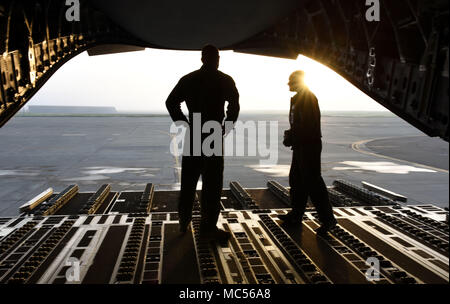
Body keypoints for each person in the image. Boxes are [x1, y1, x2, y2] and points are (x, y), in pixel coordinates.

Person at [165, 44, 240, 242]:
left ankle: (184, 220)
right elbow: (234, 105)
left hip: (194, 132)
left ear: (201, 59)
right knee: (212, 183)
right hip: (213, 133)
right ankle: (208, 228)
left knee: (189, 180)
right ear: (217, 59)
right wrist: (227, 126)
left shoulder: (189, 79)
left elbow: (171, 102)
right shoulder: (224, 80)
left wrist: (183, 123)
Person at [279, 70, 337, 236]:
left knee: (313, 184)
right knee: (297, 181)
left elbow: (308, 126)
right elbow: (299, 124)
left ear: (298, 81)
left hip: (308, 146)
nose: (288, 84)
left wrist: (292, 136)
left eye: (291, 81)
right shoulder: (299, 99)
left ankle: (328, 220)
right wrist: (291, 135)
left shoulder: (307, 99)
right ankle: (296, 215)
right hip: (301, 145)